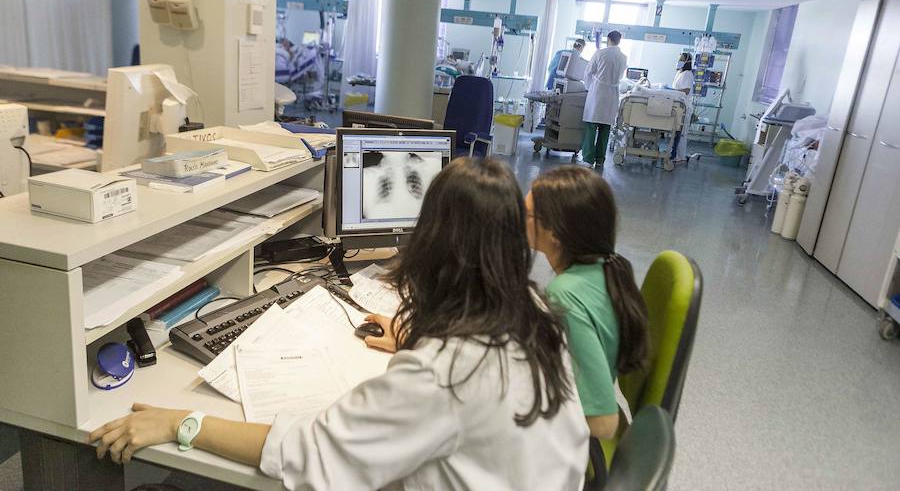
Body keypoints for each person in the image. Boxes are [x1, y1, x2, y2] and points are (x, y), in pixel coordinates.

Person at [90, 158, 590, 490]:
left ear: (433, 244)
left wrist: (182, 422)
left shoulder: (442, 376)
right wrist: (415, 338)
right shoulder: (531, 309)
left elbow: (311, 454)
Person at [524, 166, 648, 442]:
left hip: (578, 449)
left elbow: (604, 424)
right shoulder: (605, 269)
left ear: (554, 232)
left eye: (527, 215)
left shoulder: (564, 295)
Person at [581, 31, 627, 168]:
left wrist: (590, 88)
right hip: (612, 93)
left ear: (608, 39)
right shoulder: (623, 57)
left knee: (591, 126)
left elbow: (588, 73)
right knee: (605, 128)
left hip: (598, 92)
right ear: (619, 41)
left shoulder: (600, 53)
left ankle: (588, 159)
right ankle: (600, 159)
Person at [670, 52, 695, 161]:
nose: (679, 61)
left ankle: (680, 156)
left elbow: (686, 90)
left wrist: (673, 92)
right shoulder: (680, 72)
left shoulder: (688, 74)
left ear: (686, 62)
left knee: (682, 133)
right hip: (678, 106)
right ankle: (673, 153)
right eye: (679, 58)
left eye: (681, 59)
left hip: (684, 107)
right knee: (676, 132)